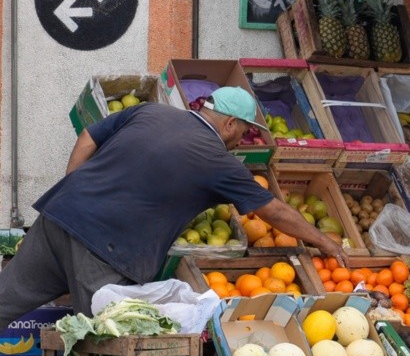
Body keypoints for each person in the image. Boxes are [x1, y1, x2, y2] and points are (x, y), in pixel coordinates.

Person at [0, 86, 348, 331]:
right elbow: (273, 211)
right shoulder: (218, 162)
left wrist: (76, 190)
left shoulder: (150, 111)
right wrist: (323, 240)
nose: (242, 140)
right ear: (229, 124)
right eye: (243, 132)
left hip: (59, 214)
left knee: (6, 298)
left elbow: (89, 135)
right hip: (104, 248)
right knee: (103, 338)